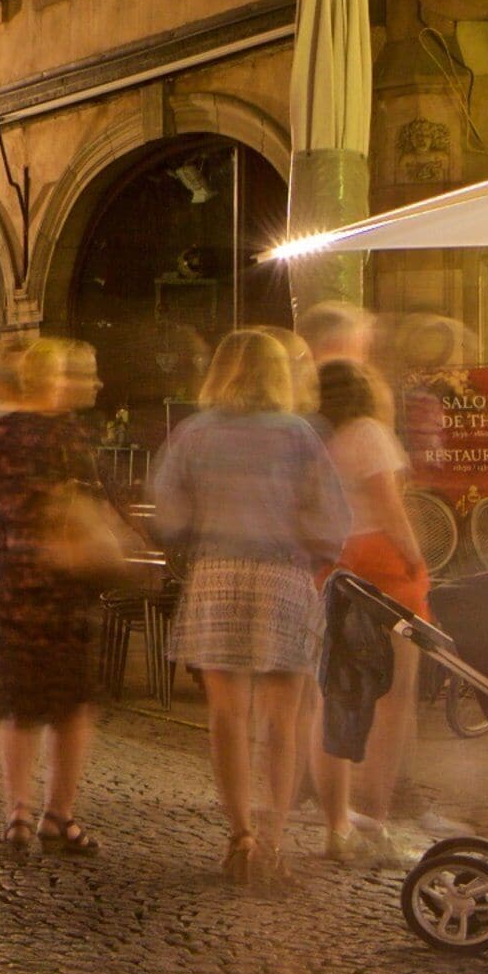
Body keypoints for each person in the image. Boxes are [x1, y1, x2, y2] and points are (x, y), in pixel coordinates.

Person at [150, 326, 350, 887]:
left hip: (217, 575)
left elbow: (168, 515)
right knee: (281, 722)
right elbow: (331, 519)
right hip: (284, 576)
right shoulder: (298, 435)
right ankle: (274, 839)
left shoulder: (192, 434)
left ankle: (239, 834)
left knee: (226, 718)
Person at [0, 337, 111, 859]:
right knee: (71, 704)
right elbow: (87, 501)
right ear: (54, 381)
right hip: (59, 579)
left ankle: (17, 812)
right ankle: (60, 815)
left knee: (20, 701)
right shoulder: (65, 434)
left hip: (8, 574)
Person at [315, 357, 426, 866]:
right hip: (381, 563)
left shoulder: (321, 440)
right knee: (392, 698)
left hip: (336, 563)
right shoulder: (370, 434)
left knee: (337, 693)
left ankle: (339, 818)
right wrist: (415, 557)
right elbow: (388, 505)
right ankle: (373, 817)